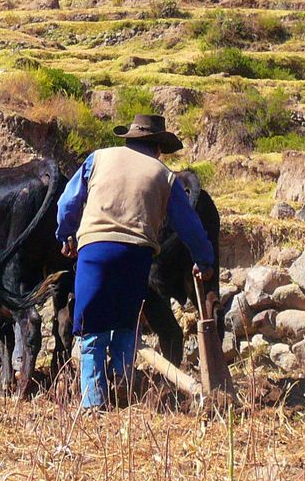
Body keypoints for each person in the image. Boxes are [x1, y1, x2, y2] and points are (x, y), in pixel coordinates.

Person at [56, 114, 215, 410]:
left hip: (95, 250)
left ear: (128, 140)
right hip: (136, 254)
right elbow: (189, 225)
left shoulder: (98, 158)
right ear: (158, 147)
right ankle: (123, 391)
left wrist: (65, 233)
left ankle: (93, 403)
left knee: (92, 328)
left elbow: (68, 202)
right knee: (126, 327)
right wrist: (204, 259)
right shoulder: (163, 174)